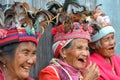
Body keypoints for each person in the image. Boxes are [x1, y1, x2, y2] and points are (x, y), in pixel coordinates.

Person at [88, 8, 120, 80]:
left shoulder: (117, 59)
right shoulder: (91, 65)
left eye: (112, 37)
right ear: (93, 45)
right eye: (106, 39)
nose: (112, 42)